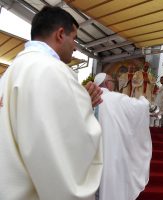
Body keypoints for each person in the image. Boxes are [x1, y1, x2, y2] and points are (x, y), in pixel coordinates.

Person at [0, 6, 103, 200]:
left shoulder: (10, 73)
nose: (75, 47)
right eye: (74, 39)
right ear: (60, 34)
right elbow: (67, 142)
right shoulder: (53, 70)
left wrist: (81, 103)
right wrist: (85, 107)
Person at [94, 73, 152, 200]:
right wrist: (144, 100)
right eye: (112, 81)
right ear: (107, 83)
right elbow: (139, 108)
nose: (113, 84)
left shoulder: (90, 99)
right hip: (112, 153)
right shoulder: (116, 98)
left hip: (93, 153)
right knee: (111, 186)